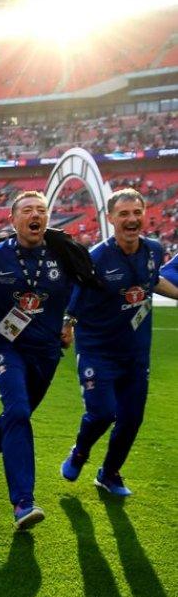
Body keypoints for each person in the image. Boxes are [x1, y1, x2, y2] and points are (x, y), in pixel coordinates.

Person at [0, 191, 90, 530]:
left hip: (47, 350)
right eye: (28, 210)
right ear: (13, 219)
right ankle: (23, 502)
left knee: (18, 412)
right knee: (18, 411)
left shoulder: (63, 255)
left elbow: (85, 283)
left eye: (41, 210)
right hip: (4, 345)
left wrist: (70, 321)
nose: (36, 215)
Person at [60, 189, 178, 497]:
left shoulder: (153, 248)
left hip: (136, 352)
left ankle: (109, 474)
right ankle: (80, 453)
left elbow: (153, 281)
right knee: (102, 413)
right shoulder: (96, 257)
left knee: (131, 419)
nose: (131, 219)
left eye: (136, 213)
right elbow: (75, 300)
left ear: (144, 214)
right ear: (111, 218)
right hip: (98, 350)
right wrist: (68, 327)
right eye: (123, 214)